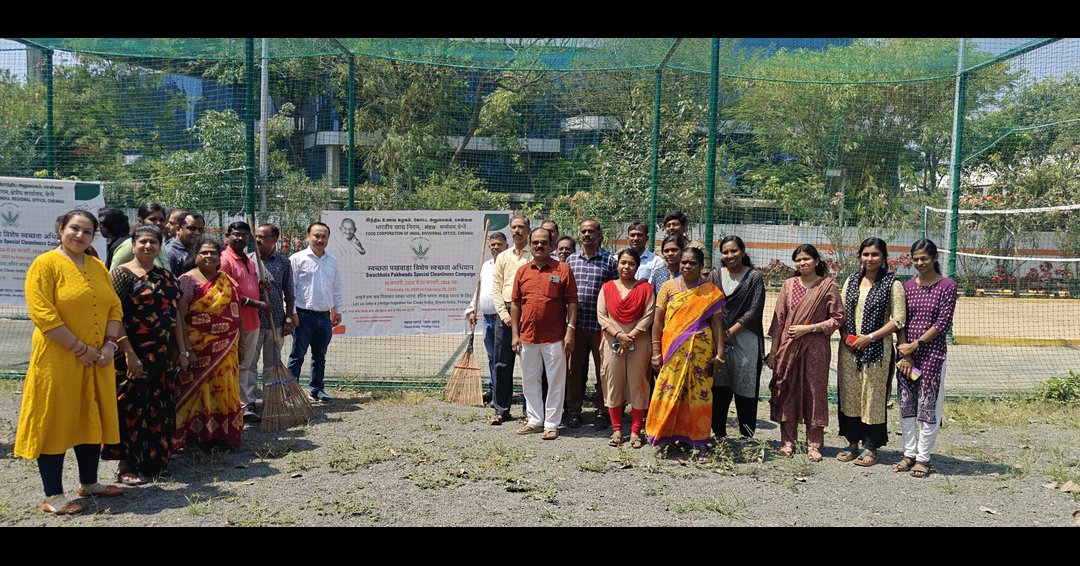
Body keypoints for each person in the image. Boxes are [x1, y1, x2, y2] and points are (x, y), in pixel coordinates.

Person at [15, 210, 127, 515]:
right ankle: (53, 494)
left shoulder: (96, 266)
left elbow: (114, 307)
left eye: (87, 232)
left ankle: (89, 483)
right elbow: (43, 314)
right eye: (74, 229)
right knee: (56, 418)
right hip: (59, 359)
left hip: (98, 358)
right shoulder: (45, 264)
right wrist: (80, 349)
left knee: (90, 414)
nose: (80, 235)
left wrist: (108, 344)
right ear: (60, 229)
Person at [102, 224, 186, 484]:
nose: (148, 246)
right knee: (131, 406)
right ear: (133, 245)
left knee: (159, 407)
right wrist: (128, 352)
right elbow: (113, 316)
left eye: (153, 242)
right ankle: (126, 464)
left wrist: (181, 350)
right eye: (143, 242)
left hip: (161, 356)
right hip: (132, 355)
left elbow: (175, 317)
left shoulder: (167, 277)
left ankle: (154, 460)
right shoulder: (121, 275)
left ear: (159, 245)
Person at [765, 244, 843, 461]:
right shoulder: (788, 285)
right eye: (798, 260)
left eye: (807, 259)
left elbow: (837, 318)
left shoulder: (828, 286)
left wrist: (809, 329)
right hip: (788, 347)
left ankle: (814, 444)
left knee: (814, 392)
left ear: (817, 261)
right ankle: (788, 441)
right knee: (788, 389)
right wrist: (773, 352)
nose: (802, 263)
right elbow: (778, 320)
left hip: (816, 348)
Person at [645, 247, 725, 451]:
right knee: (669, 390)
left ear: (701, 266)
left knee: (699, 394)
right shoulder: (668, 287)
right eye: (684, 262)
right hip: (673, 350)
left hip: (701, 351)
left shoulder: (710, 290)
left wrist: (720, 353)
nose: (687, 266)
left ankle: (699, 441)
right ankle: (667, 437)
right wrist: (655, 351)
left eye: (692, 263)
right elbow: (658, 321)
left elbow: (717, 324)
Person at [836, 237, 907, 467]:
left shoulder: (892, 284)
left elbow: (898, 320)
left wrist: (870, 337)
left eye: (875, 255)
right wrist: (846, 335)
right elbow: (842, 313)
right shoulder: (852, 280)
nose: (869, 259)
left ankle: (871, 446)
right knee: (851, 394)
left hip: (877, 350)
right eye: (865, 254)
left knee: (873, 398)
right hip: (850, 349)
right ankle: (852, 443)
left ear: (884, 258)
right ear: (860, 256)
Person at [894, 239, 957, 478]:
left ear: (934, 259)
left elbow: (942, 323)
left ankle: (923, 458)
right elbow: (900, 319)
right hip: (906, 358)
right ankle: (908, 454)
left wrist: (917, 344)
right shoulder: (906, 286)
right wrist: (904, 350)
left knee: (928, 404)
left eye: (925, 259)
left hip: (931, 355)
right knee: (907, 403)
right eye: (916, 258)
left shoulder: (947, 286)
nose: (919, 263)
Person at [175, 238, 244, 451]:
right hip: (197, 347)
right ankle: (194, 436)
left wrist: (240, 346)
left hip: (227, 347)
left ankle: (222, 435)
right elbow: (179, 316)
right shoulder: (187, 280)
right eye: (203, 252)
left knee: (224, 388)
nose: (208, 256)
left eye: (213, 253)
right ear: (195, 256)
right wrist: (184, 349)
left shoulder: (228, 281)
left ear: (219, 256)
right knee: (197, 391)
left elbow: (236, 315)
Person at [510, 227, 578, 441]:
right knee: (530, 381)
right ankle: (534, 420)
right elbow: (515, 303)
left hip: (555, 337)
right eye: (535, 242)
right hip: (527, 336)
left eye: (543, 242)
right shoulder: (522, 271)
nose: (539, 246)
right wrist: (515, 334)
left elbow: (572, 303)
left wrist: (570, 331)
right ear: (530, 245)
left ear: (551, 245)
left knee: (556, 381)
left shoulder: (562, 270)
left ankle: (551, 424)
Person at [708, 235, 766, 440]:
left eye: (734, 251)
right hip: (718, 340)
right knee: (719, 386)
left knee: (746, 388)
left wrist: (729, 332)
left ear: (742, 251)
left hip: (746, 339)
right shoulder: (714, 276)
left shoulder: (754, 277)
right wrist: (719, 336)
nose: (730, 255)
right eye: (725, 252)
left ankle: (746, 435)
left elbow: (754, 310)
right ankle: (718, 433)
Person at [597, 248, 655, 448]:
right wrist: (620, 335)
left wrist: (631, 336)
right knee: (613, 382)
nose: (626, 267)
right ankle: (616, 430)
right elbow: (602, 316)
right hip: (612, 341)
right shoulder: (607, 288)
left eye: (631, 263)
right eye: (623, 262)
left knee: (638, 383)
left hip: (638, 343)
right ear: (617, 264)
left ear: (637, 267)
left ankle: (635, 432)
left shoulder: (646, 289)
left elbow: (649, 316)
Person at [564, 218, 618, 429]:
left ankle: (602, 410)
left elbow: (614, 292)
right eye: (584, 231)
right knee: (574, 371)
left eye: (591, 231)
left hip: (600, 327)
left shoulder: (609, 261)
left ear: (599, 235)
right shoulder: (570, 261)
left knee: (603, 370)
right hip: (575, 326)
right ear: (580, 234)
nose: (587, 235)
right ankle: (574, 411)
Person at [219, 221, 269, 422]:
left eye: (244, 235)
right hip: (235, 321)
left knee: (247, 364)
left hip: (252, 320)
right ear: (227, 235)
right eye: (236, 234)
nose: (240, 238)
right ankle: (238, 405)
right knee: (238, 364)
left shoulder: (248, 260)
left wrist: (259, 286)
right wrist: (257, 303)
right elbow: (226, 294)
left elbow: (246, 285)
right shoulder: (224, 260)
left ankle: (247, 403)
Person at [288, 222, 344, 402]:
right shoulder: (297, 259)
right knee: (297, 355)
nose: (320, 240)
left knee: (320, 356)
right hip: (303, 316)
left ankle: (316, 389)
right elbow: (290, 288)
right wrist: (292, 312)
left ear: (328, 238)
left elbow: (337, 288)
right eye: (316, 236)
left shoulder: (332, 260)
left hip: (324, 317)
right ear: (308, 236)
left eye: (323, 236)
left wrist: (338, 310)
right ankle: (291, 392)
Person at [247, 223, 297, 415]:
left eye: (263, 237)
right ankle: (249, 402)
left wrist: (288, 320)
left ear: (274, 240)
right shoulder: (249, 261)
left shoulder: (284, 262)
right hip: (254, 322)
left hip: (276, 321)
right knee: (250, 363)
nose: (258, 240)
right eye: (256, 236)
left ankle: (270, 400)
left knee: (272, 364)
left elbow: (289, 293)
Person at [489, 215, 532, 425]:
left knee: (530, 364)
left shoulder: (534, 256)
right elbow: (496, 289)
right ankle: (501, 409)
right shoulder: (503, 257)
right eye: (514, 227)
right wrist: (505, 316)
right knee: (502, 363)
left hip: (529, 315)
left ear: (528, 229)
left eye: (521, 227)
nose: (517, 231)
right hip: (504, 315)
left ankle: (529, 411)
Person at [466, 232, 508, 404]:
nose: (495, 247)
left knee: (502, 359)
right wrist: (471, 310)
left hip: (503, 318)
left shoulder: (509, 263)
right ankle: (493, 389)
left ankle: (502, 394)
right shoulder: (486, 266)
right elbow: (480, 290)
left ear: (506, 245)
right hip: (488, 319)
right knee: (492, 357)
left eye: (498, 244)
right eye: (492, 245)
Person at [110, 203, 170, 270]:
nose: (159, 223)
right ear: (140, 221)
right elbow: (112, 276)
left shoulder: (159, 246)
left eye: (162, 220)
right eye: (153, 219)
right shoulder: (131, 245)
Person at [166, 211, 205, 276]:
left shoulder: (198, 249)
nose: (197, 233)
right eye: (192, 228)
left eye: (200, 229)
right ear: (178, 229)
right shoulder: (170, 253)